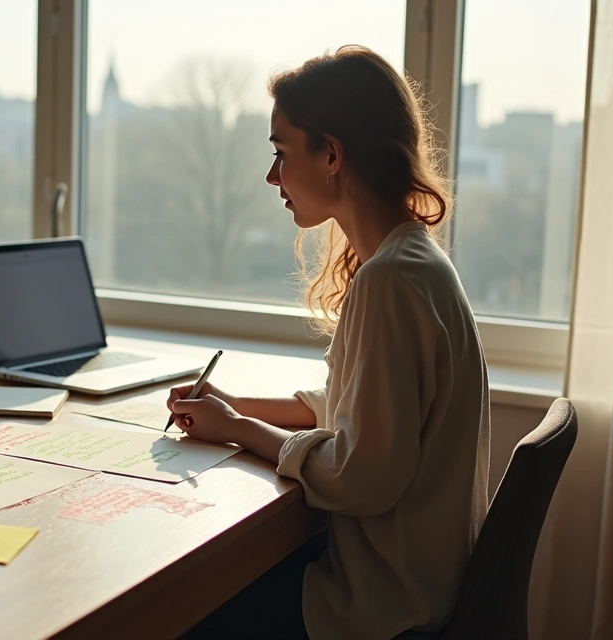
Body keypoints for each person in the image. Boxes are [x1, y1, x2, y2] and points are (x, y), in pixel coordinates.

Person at [170, 45, 491, 640]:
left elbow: (358, 476)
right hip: (416, 586)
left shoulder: (391, 280)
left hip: (381, 609)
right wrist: (231, 406)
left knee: (180, 610)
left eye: (281, 153)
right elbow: (352, 409)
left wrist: (238, 430)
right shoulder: (413, 261)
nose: (272, 177)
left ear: (333, 155)